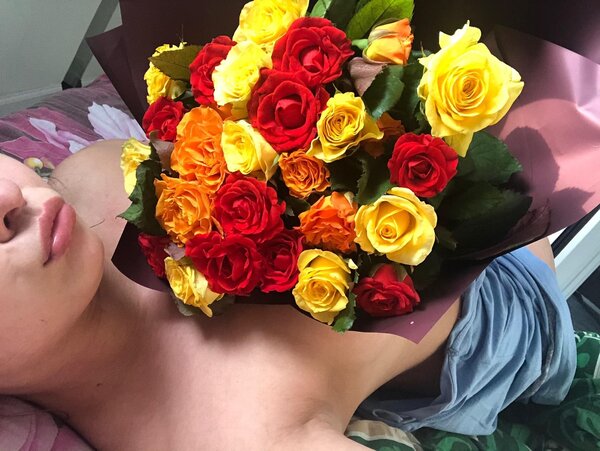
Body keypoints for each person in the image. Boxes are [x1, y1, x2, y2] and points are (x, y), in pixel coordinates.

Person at [0, 140, 574, 450]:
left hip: (428, 207)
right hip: (503, 323)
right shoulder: (222, 432)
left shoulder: (91, 174)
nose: (7, 195)